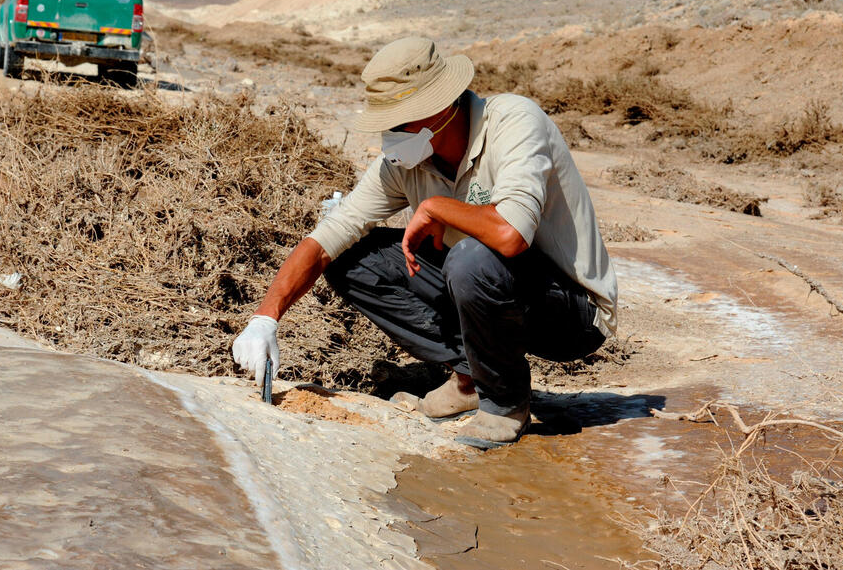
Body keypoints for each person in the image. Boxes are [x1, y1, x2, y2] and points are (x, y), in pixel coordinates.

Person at [232, 37, 617, 448]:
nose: (390, 136)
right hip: (484, 288)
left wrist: (437, 207)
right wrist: (265, 318)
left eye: (399, 122)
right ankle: (472, 377)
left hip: (570, 312)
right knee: (349, 260)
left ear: (439, 111)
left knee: (471, 256)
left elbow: (511, 235)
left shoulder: (514, 122)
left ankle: (505, 402)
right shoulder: (408, 161)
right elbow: (329, 236)